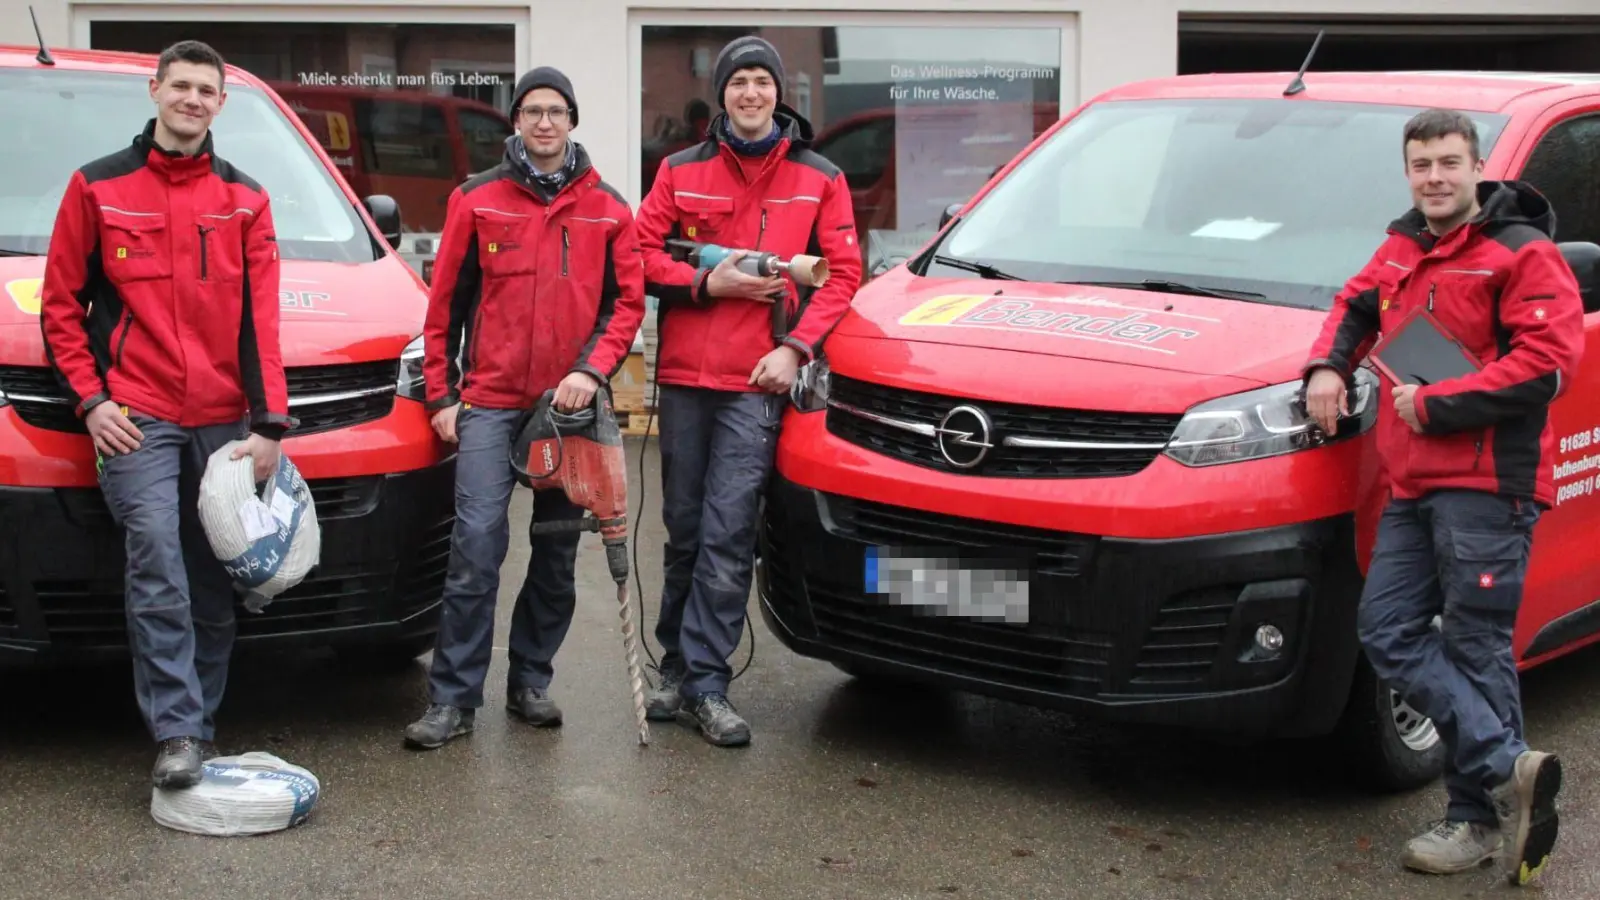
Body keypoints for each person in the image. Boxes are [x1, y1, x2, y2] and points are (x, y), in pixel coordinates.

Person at [1303, 108, 1581, 886]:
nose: (1435, 178)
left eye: (1449, 163)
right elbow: (1356, 306)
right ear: (1408, 171)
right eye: (1422, 165)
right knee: (1387, 628)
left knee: (1475, 645)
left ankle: (1475, 821)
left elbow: (1549, 365)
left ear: (1477, 165)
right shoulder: (1402, 245)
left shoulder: (1522, 251)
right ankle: (1509, 770)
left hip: (1488, 485)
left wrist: (1439, 402)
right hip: (1412, 481)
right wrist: (1324, 368)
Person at [39, 40, 291, 788]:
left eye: (205, 90)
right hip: (137, 417)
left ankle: (198, 727)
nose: (192, 99)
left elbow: (261, 323)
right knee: (156, 558)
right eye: (179, 85)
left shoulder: (246, 199)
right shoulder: (96, 188)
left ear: (221, 102)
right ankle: (177, 731)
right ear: (154, 91)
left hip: (222, 421)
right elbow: (60, 309)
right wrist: (90, 402)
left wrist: (269, 425)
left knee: (215, 576)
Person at [403, 66, 647, 750]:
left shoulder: (608, 207)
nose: (544, 122)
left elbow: (626, 304)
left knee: (555, 552)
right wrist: (442, 395)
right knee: (476, 548)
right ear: (515, 121)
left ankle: (530, 681)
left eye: (556, 111)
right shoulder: (476, 200)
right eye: (532, 111)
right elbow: (443, 306)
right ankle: (453, 700)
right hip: (488, 403)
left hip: (564, 412)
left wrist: (591, 371)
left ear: (572, 121)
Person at [632, 35, 862, 746]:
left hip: (755, 382)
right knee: (684, 532)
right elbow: (638, 256)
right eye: (739, 82)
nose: (751, 94)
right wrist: (706, 281)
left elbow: (844, 276)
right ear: (723, 94)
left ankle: (707, 684)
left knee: (729, 535)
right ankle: (674, 666)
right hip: (684, 379)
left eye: (763, 81)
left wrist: (795, 351)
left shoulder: (819, 177)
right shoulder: (679, 170)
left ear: (779, 93)